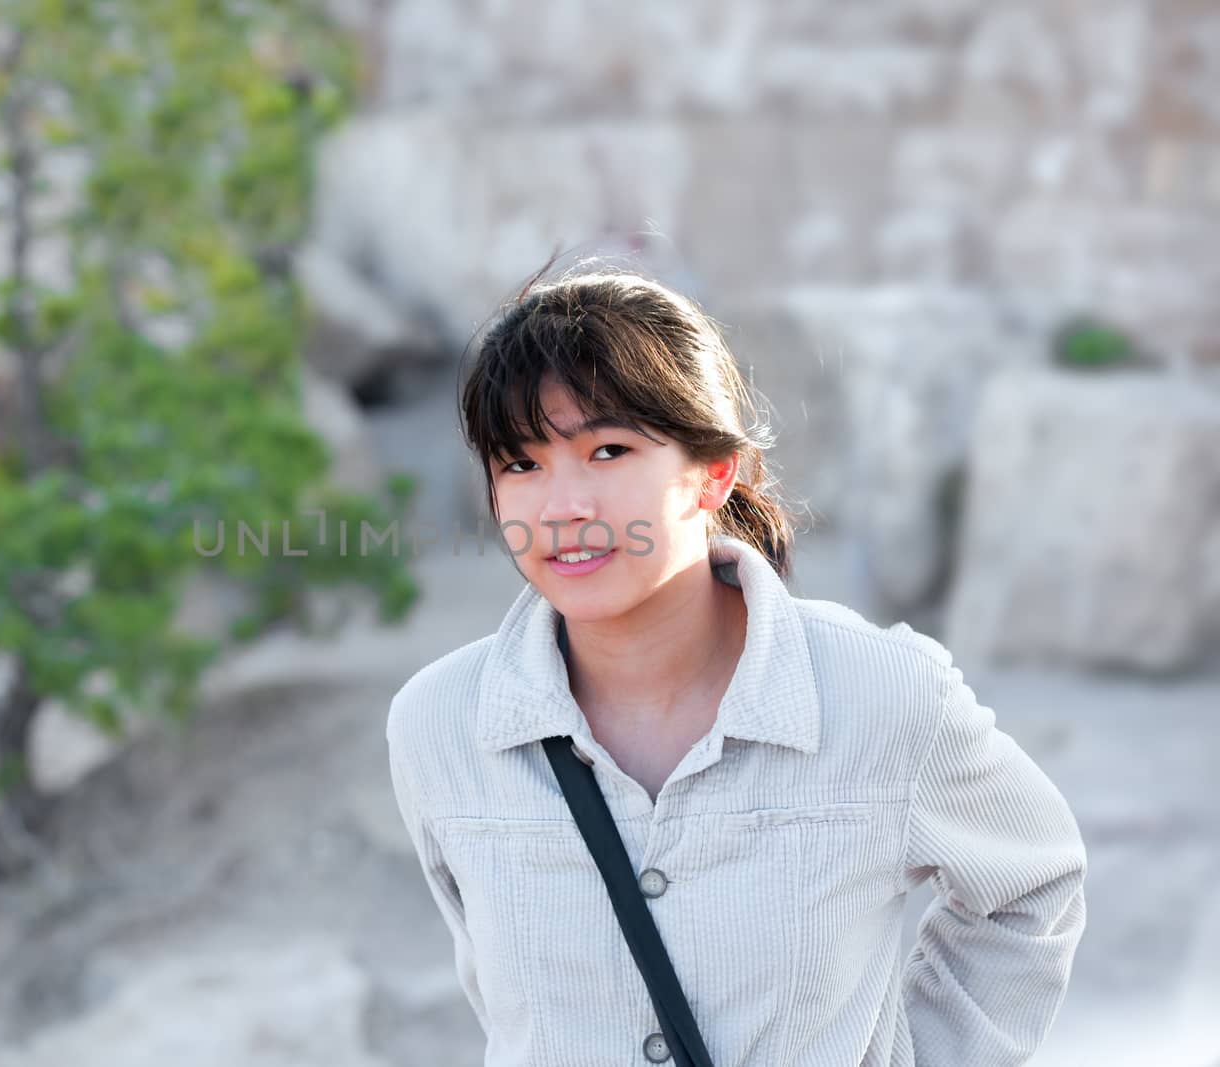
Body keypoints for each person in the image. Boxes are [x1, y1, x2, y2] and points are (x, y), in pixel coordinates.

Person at [385, 267, 1087, 1066]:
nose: (562, 505)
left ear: (713, 471)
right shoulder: (439, 724)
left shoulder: (883, 694)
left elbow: (1032, 881)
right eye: (521, 464)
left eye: (608, 450)